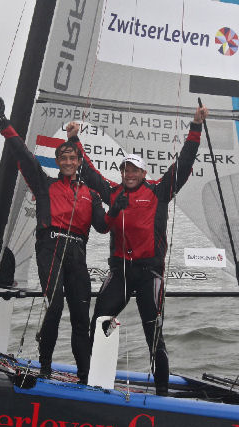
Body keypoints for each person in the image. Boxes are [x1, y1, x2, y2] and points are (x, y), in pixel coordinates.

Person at [67, 103, 207, 396]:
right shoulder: (113, 192)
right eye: (125, 169)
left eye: (134, 169)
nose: (129, 173)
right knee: (100, 319)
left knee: (152, 332)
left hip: (149, 273)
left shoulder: (159, 191)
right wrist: (73, 140)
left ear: (143, 172)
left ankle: (162, 394)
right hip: (120, 272)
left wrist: (195, 127)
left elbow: (183, 163)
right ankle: (96, 380)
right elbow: (89, 172)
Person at [0, 97, 108, 384]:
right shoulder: (45, 184)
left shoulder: (90, 195)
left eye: (72, 158)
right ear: (58, 162)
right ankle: (44, 367)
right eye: (63, 158)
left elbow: (104, 227)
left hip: (77, 253)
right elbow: (24, 155)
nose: (68, 162)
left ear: (79, 161)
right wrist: (3, 121)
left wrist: (123, 209)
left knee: (81, 315)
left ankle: (85, 375)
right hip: (50, 247)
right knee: (54, 307)